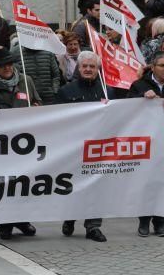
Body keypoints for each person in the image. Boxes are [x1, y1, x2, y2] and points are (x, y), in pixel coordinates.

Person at [0, 49, 40, 241]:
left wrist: (38, 107)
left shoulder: (26, 80)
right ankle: (5, 223)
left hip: (25, 142)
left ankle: (22, 219)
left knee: (24, 183)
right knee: (4, 185)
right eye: (3, 65)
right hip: (1, 145)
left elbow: (36, 101)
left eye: (10, 63)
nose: (8, 68)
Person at [55, 51, 109, 241]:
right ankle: (70, 218)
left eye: (92, 66)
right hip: (74, 150)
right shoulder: (65, 91)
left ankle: (93, 226)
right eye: (84, 66)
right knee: (74, 187)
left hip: (98, 150)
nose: (88, 69)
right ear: (78, 68)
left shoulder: (107, 91)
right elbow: (57, 121)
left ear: (98, 69)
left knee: (97, 188)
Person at [129, 51, 164, 237]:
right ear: (153, 67)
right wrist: (141, 98)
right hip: (146, 144)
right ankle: (143, 222)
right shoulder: (139, 85)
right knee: (146, 183)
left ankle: (160, 223)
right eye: (162, 65)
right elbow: (125, 108)